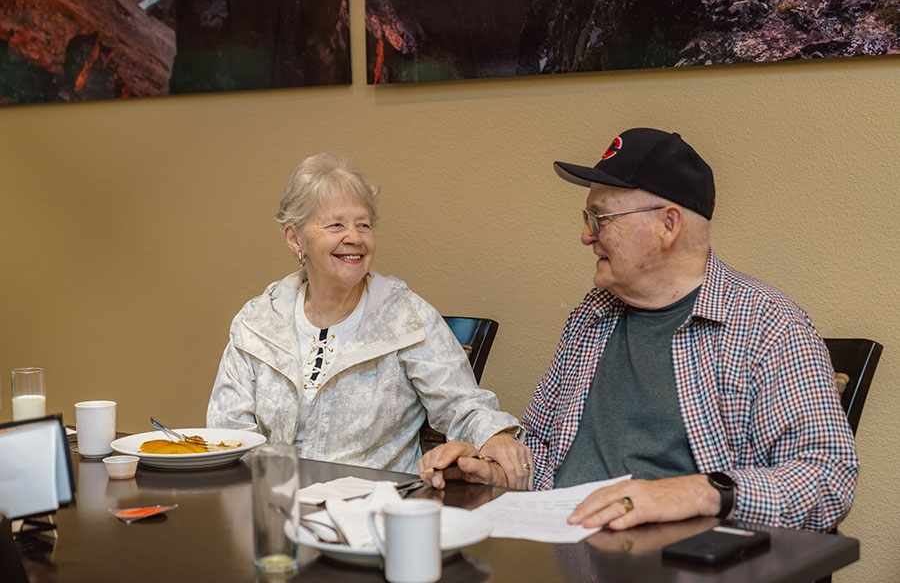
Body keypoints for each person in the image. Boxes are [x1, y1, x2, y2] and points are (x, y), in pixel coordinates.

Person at [419, 128, 858, 532]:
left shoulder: (765, 323)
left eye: (601, 219)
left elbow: (828, 478)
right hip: (564, 548)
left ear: (668, 225)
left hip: (679, 563)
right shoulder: (591, 316)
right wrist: (491, 470)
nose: (586, 236)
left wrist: (693, 491)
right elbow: (547, 456)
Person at [207, 153, 529, 479]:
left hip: (375, 512)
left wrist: (494, 435)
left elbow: (463, 405)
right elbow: (228, 432)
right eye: (336, 225)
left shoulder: (405, 317)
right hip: (273, 508)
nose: (355, 237)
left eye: (363, 225)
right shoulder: (259, 321)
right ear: (294, 238)